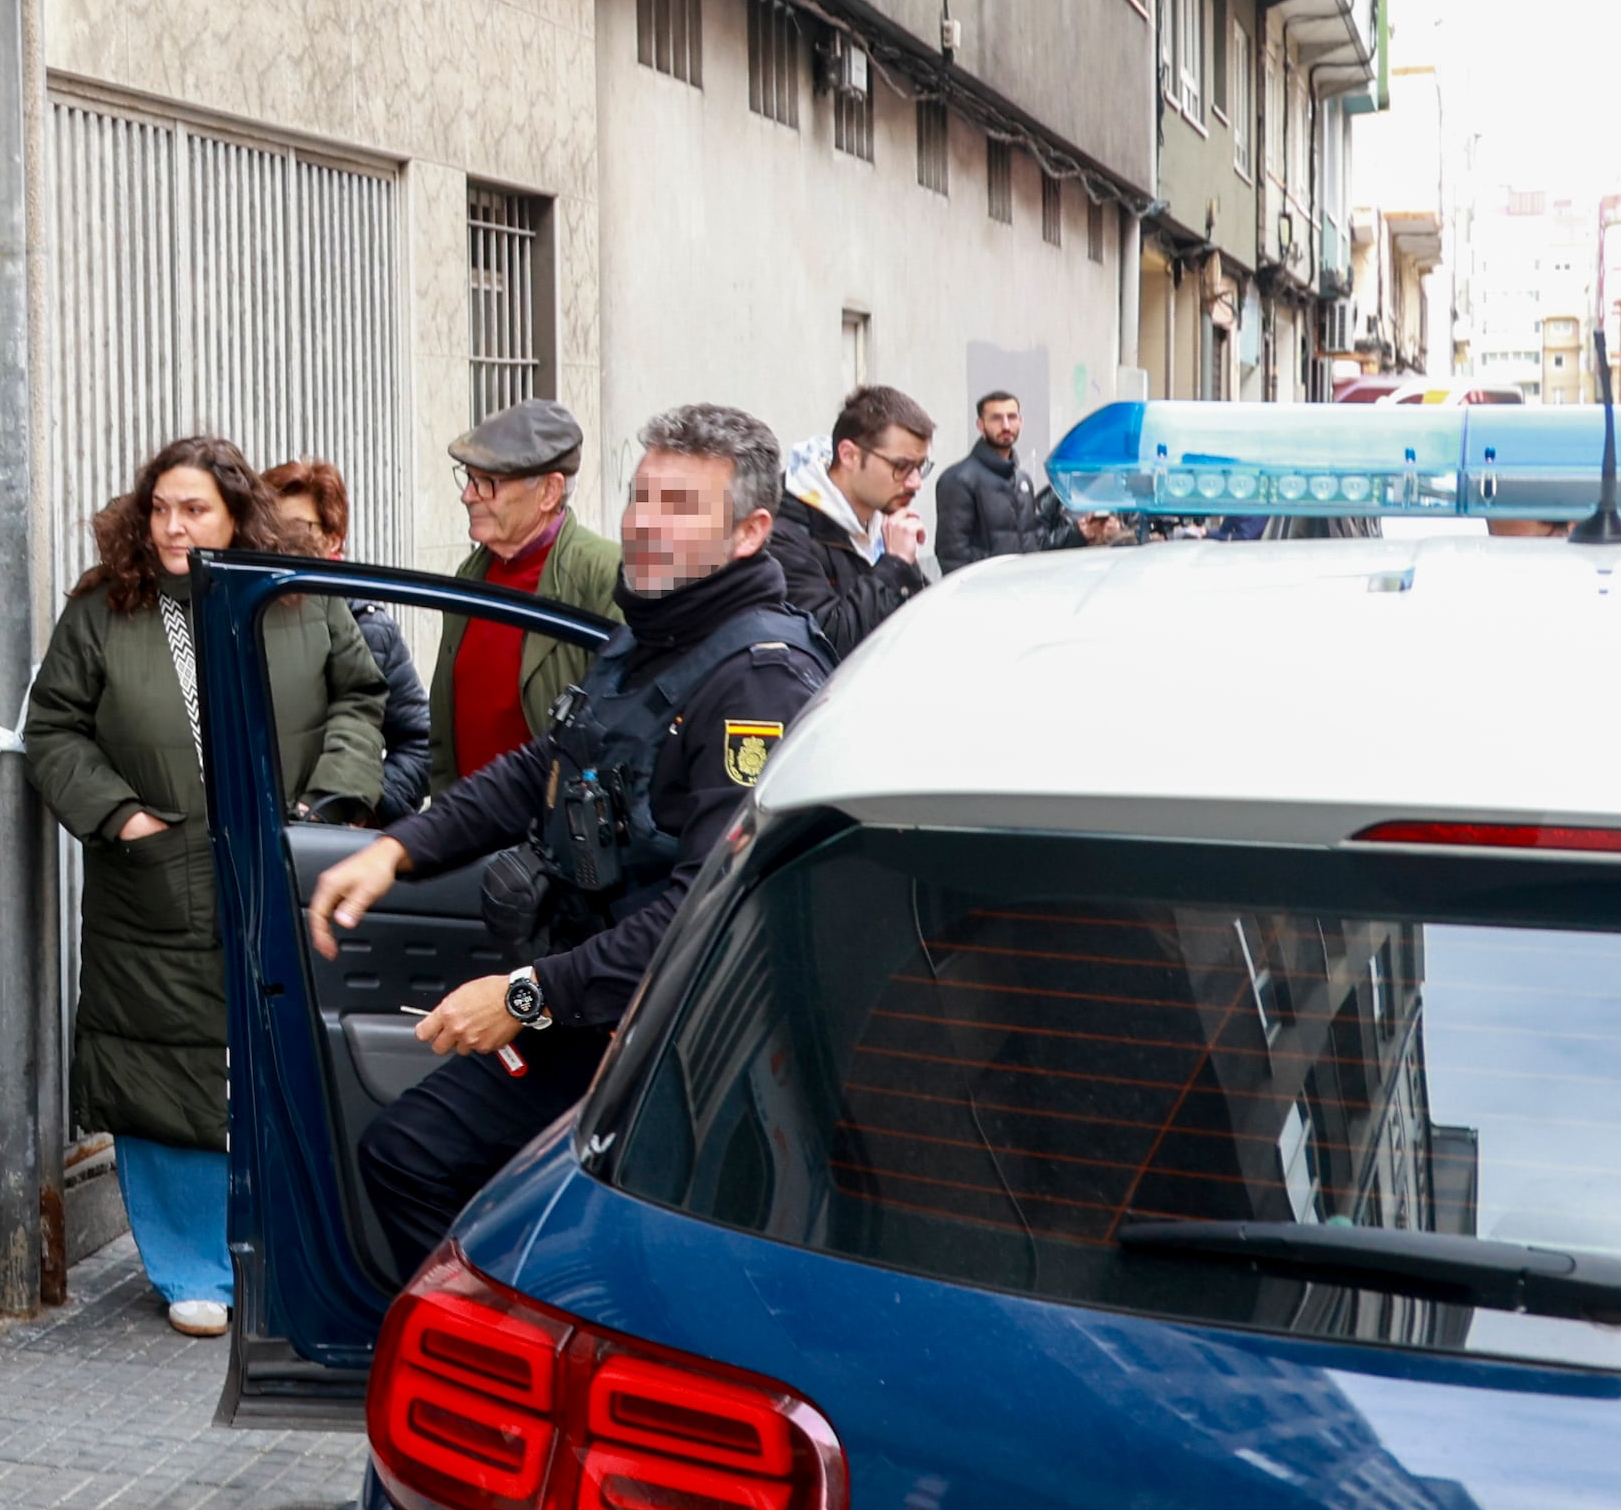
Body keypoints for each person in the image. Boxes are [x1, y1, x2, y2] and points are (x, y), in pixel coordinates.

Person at [306, 404, 830, 1271]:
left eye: (678, 504)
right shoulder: (654, 632)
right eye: (640, 496)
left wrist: (523, 996)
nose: (645, 521)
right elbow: (545, 766)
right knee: (409, 1153)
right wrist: (398, 848)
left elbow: (705, 912)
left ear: (750, 533)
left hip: (675, 1043)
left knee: (423, 1161)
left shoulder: (757, 682)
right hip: (592, 1004)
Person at [21, 436, 389, 1338]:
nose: (173, 526)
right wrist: (121, 817)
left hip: (279, 869)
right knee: (160, 1068)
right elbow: (54, 728)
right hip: (153, 885)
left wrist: (329, 805)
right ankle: (190, 1267)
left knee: (281, 1061)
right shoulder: (104, 607)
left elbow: (360, 694)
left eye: (194, 509)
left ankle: (283, 1251)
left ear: (236, 514)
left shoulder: (296, 594)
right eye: (159, 508)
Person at [420, 401, 621, 798]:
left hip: (553, 827)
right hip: (468, 822)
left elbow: (620, 733)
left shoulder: (604, 576)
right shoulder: (471, 574)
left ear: (549, 492)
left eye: (487, 483)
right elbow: (445, 726)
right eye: (469, 478)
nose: (467, 496)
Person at [253, 461, 428, 816]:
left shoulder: (368, 628)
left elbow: (419, 744)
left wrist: (360, 805)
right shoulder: (248, 615)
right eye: (270, 527)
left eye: (298, 528)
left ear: (333, 538)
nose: (279, 541)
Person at [767, 382, 934, 664]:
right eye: (901, 467)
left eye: (920, 467)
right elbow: (829, 644)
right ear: (848, 455)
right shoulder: (784, 532)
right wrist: (894, 565)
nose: (915, 482)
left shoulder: (881, 518)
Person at [932, 388, 1063, 571]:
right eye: (996, 418)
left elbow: (1032, 541)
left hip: (1026, 583)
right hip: (987, 586)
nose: (1006, 425)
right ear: (980, 425)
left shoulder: (1022, 480)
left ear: (1021, 421)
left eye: (1012, 417)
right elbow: (952, 554)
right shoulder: (958, 479)